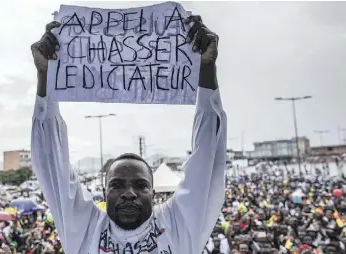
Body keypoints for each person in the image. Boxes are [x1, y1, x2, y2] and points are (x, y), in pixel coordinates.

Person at [29, 13, 226, 254]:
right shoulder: (85, 228)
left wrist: (206, 69)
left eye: (140, 185)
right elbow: (52, 164)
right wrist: (46, 76)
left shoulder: (177, 225)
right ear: (104, 193)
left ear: (153, 194)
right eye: (117, 185)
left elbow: (207, 160)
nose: (129, 194)